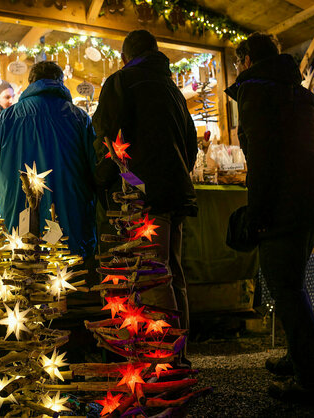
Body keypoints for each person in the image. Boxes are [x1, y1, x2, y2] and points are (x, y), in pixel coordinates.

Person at [225, 33, 314, 407]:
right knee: (294, 284)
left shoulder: (255, 92)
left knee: (286, 290)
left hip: (285, 204)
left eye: (239, 62)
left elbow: (262, 158)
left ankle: (311, 382)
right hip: (312, 201)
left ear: (247, 61)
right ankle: (299, 358)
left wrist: (258, 213)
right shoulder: (300, 94)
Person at [92, 30, 197, 334]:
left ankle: (166, 361)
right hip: (176, 191)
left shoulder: (121, 81)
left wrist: (118, 178)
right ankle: (181, 357)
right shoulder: (173, 89)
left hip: (143, 194)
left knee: (152, 273)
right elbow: (190, 145)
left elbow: (104, 135)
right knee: (173, 273)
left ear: (124, 58)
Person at [0, 61, 97, 260]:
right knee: (66, 273)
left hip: (15, 211)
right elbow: (96, 164)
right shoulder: (78, 117)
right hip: (69, 212)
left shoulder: (7, 118)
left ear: (31, 83)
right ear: (60, 82)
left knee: (21, 273)